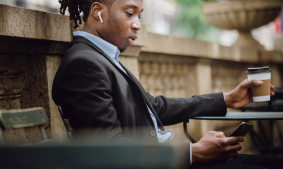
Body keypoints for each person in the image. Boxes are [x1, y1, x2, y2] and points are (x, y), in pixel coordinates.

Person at [52, 0, 282, 168]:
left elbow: (155, 107)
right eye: (130, 13)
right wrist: (193, 153)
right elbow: (109, 149)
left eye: (139, 16)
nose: (137, 25)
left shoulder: (101, 57)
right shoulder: (83, 64)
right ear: (97, 11)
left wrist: (227, 99)